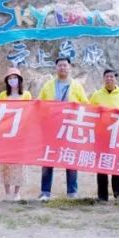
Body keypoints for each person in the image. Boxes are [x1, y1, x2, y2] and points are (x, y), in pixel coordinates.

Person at [37, 56, 89, 200]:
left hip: (70, 129)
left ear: (70, 67)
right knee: (48, 160)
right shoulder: (48, 85)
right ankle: (45, 192)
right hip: (52, 128)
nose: (62, 68)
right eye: (60, 65)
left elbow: (85, 104)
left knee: (70, 159)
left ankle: (72, 192)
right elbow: (39, 103)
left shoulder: (76, 86)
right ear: (56, 68)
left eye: (65, 65)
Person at [88, 68, 119, 202]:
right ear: (103, 79)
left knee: (116, 165)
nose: (109, 79)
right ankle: (102, 196)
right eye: (107, 76)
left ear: (115, 79)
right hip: (101, 135)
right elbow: (90, 111)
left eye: (112, 77)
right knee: (102, 166)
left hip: (116, 136)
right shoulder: (97, 95)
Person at [0, 67, 32, 201]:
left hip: (20, 133)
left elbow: (30, 112)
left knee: (19, 163)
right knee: (5, 163)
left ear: (20, 80)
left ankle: (17, 192)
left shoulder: (26, 95)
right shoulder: (3, 95)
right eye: (10, 78)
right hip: (6, 133)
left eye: (15, 78)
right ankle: (7, 192)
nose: (12, 80)